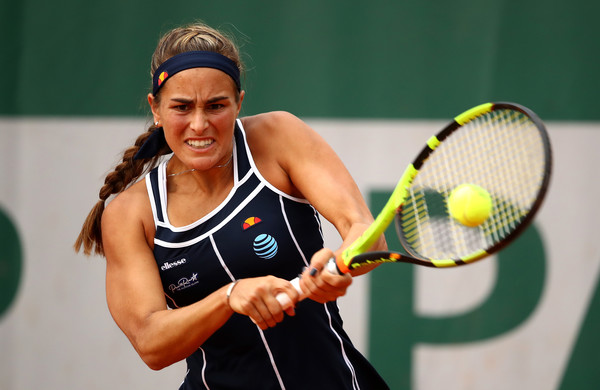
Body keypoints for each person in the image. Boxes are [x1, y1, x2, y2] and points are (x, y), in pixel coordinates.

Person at [75, 22, 389, 390]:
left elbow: (365, 231)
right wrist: (228, 297)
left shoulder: (278, 137)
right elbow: (150, 343)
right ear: (155, 109)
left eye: (216, 105)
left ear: (239, 102)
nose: (199, 124)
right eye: (182, 107)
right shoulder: (130, 214)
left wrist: (339, 263)